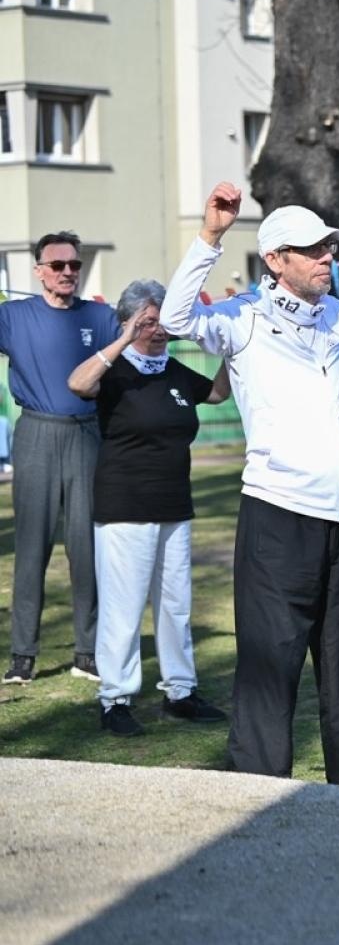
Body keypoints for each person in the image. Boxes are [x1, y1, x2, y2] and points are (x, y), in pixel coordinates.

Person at [159, 180, 339, 788]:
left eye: (330, 247)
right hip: (277, 519)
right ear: (275, 260)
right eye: (311, 249)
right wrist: (210, 235)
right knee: (270, 668)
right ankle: (259, 793)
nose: (326, 258)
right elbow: (175, 317)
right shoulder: (243, 319)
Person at [66, 280, 233, 736]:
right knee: (124, 608)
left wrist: (235, 348)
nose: (158, 330)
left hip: (174, 504)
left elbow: (218, 394)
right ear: (129, 321)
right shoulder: (114, 371)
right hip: (124, 506)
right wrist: (122, 339)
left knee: (176, 605)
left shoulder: (176, 372)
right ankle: (114, 698)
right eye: (149, 321)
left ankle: (180, 692)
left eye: (163, 321)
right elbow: (77, 383)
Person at [0, 231, 120, 687]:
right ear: (38, 271)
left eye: (74, 265)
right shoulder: (13, 316)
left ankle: (87, 652)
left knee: (86, 548)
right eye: (57, 266)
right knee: (31, 547)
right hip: (37, 433)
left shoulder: (101, 317)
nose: (68, 272)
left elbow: (139, 349)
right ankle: (22, 655)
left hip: (87, 436)